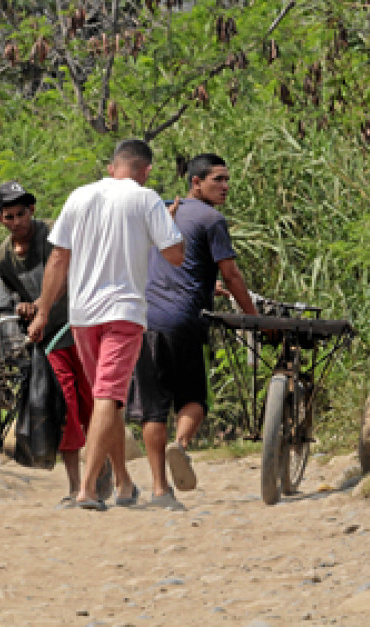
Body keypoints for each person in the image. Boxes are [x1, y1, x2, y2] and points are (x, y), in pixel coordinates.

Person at [28, 139, 185, 510]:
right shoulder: (146, 199)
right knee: (108, 397)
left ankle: (124, 482)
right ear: (145, 170)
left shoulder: (79, 196)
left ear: (113, 166)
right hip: (124, 312)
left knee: (106, 399)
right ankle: (86, 489)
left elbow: (57, 261)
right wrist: (167, 222)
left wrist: (43, 312)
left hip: (82, 315)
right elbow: (175, 256)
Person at [127, 152, 258, 507]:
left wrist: (205, 284)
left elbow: (176, 263)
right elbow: (230, 273)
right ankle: (181, 445)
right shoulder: (212, 220)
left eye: (228, 179)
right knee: (194, 399)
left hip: (144, 319)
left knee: (153, 409)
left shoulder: (162, 211)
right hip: (183, 320)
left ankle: (159, 489)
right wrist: (253, 316)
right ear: (195, 182)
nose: (226, 186)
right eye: (218, 179)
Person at [0, 181, 112, 505]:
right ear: (1, 218)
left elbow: (72, 273)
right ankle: (76, 486)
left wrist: (42, 304)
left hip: (81, 326)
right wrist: (24, 307)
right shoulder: (2, 259)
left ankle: (106, 471)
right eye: (10, 216)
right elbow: (12, 296)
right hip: (49, 339)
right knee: (66, 408)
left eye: (22, 213)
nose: (17, 221)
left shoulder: (54, 235)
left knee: (94, 404)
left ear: (31, 210)